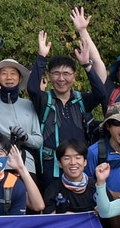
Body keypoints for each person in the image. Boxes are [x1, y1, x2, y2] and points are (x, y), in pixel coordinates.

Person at [27, 30, 94, 181]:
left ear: (74, 76)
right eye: (56, 74)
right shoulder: (44, 100)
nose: (61, 78)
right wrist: (41, 57)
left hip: (78, 165)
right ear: (50, 77)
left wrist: (87, 66)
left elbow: (101, 93)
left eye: (66, 74)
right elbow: (32, 88)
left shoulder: (81, 100)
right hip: (51, 167)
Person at [0, 57, 43, 176]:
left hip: (27, 165)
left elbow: (38, 141)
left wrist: (25, 137)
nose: (9, 77)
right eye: (4, 74)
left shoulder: (29, 105)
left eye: (13, 73)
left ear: (20, 78)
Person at [39, 139, 96, 214]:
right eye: (67, 158)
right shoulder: (52, 190)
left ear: (85, 162)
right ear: (59, 163)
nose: (73, 162)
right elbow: (50, 221)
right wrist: (63, 217)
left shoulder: (97, 187)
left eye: (78, 157)